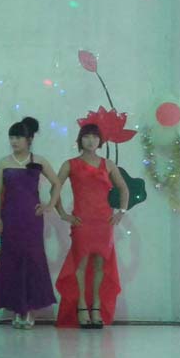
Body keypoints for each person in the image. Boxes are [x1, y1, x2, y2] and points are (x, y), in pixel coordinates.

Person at [0, 117, 61, 329]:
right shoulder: (3, 162)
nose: (14, 141)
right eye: (11, 137)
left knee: (33, 261)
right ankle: (17, 309)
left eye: (18, 137)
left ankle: (29, 310)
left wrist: (49, 205)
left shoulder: (39, 161)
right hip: (10, 218)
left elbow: (57, 183)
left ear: (29, 139)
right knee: (11, 261)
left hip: (32, 218)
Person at [54, 123, 130, 329]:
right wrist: (63, 214)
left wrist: (121, 212)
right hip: (82, 220)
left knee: (99, 264)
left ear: (100, 141)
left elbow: (124, 189)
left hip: (104, 221)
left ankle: (96, 306)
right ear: (80, 139)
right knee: (80, 262)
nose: (91, 141)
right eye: (86, 137)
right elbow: (55, 188)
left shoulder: (108, 164)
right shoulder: (70, 164)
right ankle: (81, 305)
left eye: (95, 137)